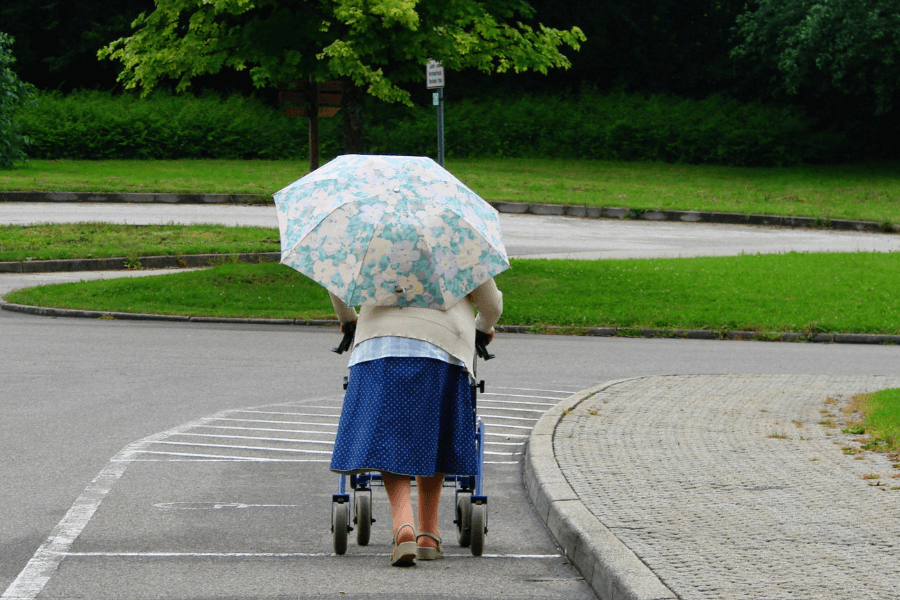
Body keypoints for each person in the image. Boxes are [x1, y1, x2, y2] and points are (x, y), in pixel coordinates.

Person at [328, 279, 503, 567]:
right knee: (432, 430)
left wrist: (349, 319)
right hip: (442, 342)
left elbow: (337, 279)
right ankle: (428, 534)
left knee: (389, 435)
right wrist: (483, 327)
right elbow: (491, 305)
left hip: (377, 342)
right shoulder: (455, 237)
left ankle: (402, 523)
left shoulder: (371, 235)